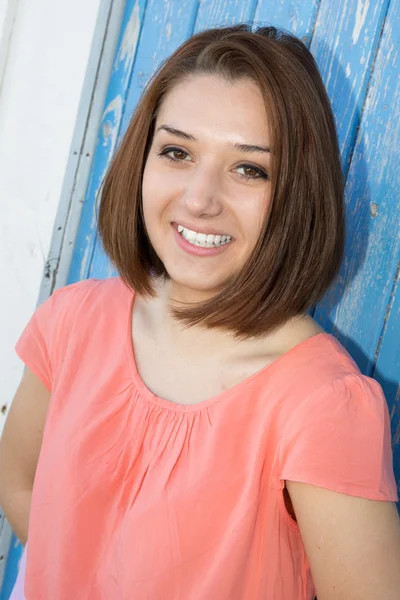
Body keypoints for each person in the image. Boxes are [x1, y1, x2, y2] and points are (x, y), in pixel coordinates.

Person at [0, 23, 399, 600]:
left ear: (295, 193)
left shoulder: (322, 404)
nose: (199, 198)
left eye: (248, 169)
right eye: (178, 152)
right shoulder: (74, 321)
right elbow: (16, 482)